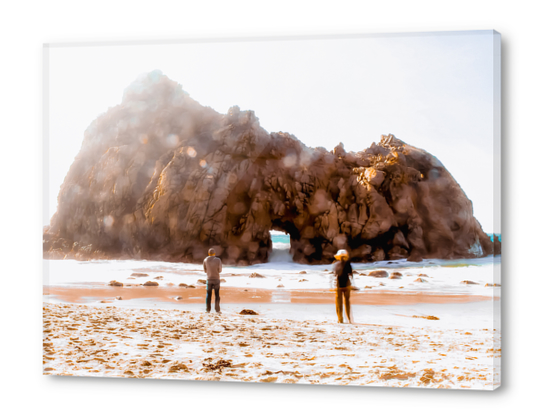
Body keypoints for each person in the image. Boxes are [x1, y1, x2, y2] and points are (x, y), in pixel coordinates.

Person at [332, 249, 353, 323]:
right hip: (346, 285)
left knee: (338, 303)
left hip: (339, 285)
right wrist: (352, 284)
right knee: (347, 302)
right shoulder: (348, 263)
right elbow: (350, 275)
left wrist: (332, 286)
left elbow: (334, 275)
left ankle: (340, 319)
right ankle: (349, 319)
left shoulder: (335, 264)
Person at [203, 248, 222, 313]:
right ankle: (217, 310)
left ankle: (207, 309)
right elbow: (220, 270)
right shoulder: (218, 260)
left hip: (209, 279)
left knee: (208, 294)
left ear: (208, 253)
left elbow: (205, 271)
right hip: (216, 279)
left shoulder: (205, 260)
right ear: (214, 254)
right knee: (217, 294)